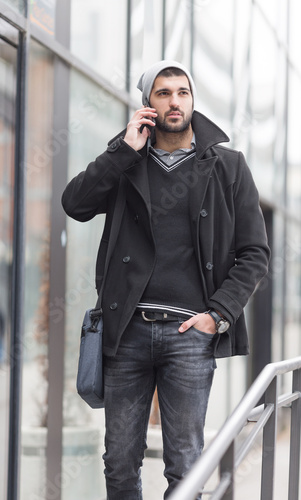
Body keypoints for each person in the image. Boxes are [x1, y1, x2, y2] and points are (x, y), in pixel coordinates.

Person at [62, 60, 270, 500]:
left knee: (185, 465)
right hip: (127, 331)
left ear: (192, 100)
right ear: (147, 106)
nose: (174, 101)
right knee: (119, 462)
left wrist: (218, 315)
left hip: (190, 335)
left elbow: (255, 254)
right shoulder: (126, 163)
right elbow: (75, 204)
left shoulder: (228, 167)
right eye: (163, 93)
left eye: (182, 92)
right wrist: (122, 150)